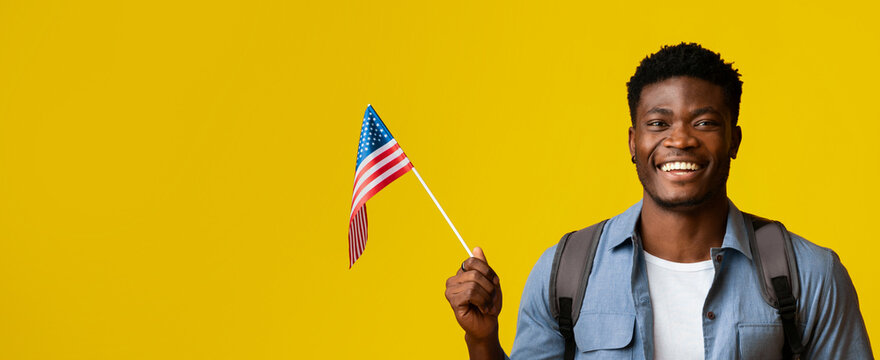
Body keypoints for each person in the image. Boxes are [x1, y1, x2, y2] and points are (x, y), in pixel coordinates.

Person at [444, 43, 872, 359]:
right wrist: (482, 341)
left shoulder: (810, 275)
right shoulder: (566, 273)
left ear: (734, 140)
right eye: (658, 123)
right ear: (633, 142)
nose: (680, 139)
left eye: (704, 122)